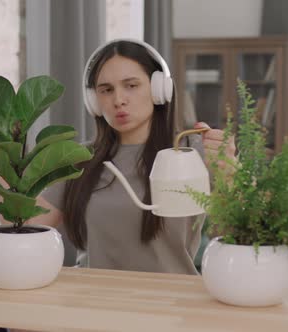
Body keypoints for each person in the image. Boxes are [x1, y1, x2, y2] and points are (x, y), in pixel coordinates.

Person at [25, 39, 236, 275]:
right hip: (93, 299)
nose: (118, 100)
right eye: (106, 90)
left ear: (159, 90)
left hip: (172, 300)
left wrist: (230, 173)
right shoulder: (79, 158)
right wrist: (5, 163)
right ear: (94, 101)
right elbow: (27, 227)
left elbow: (247, 231)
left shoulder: (191, 151)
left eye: (131, 85)